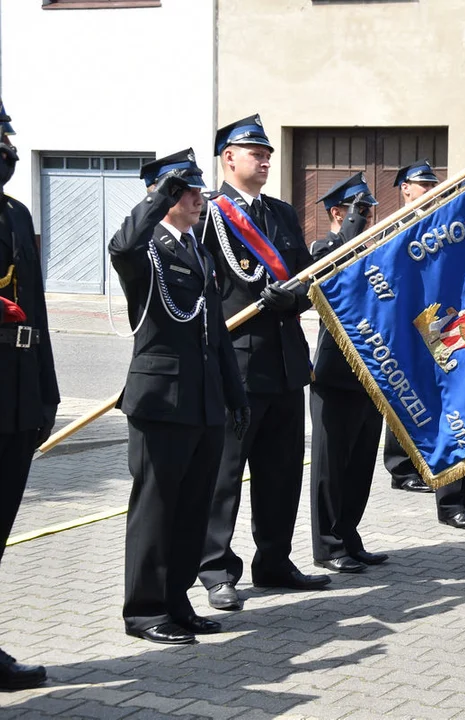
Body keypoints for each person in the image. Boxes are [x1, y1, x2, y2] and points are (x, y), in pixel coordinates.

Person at [109, 150, 250, 645]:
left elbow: (216, 335)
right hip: (161, 401)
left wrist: (236, 396)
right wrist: (158, 195)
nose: (197, 199)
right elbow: (121, 246)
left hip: (205, 402)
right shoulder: (145, 250)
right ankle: (146, 610)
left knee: (193, 507)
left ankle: (177, 601)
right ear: (163, 196)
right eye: (185, 191)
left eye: (196, 190)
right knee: (157, 505)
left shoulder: (200, 251)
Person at [198, 114, 329, 612]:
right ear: (229, 157)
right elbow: (205, 287)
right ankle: (216, 570)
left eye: (268, 152)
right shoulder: (210, 213)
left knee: (281, 473)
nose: (266, 159)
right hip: (237, 363)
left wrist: (291, 298)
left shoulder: (281, 213)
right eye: (256, 152)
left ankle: (273, 561)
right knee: (225, 475)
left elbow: (302, 279)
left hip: (284, 361)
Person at [0, 99, 58, 689]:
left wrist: (48, 389)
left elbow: (35, 309)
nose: (7, 151)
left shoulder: (16, 214)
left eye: (7, 140)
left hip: (16, 396)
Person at [308, 172, 390, 571]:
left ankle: (350, 536)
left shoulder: (375, 251)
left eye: (369, 211)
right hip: (335, 375)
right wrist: (351, 232)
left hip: (371, 374)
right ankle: (327, 545)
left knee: (359, 464)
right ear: (338, 212)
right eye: (360, 211)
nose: (368, 218)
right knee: (331, 466)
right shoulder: (323, 247)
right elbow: (330, 278)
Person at [383, 160, 439, 495]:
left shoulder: (434, 222)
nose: (431, 190)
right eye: (424, 185)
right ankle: (401, 467)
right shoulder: (394, 225)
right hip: (404, 321)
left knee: (428, 390)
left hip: (431, 319)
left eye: (433, 185)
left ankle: (423, 459)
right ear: (406, 188)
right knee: (404, 391)